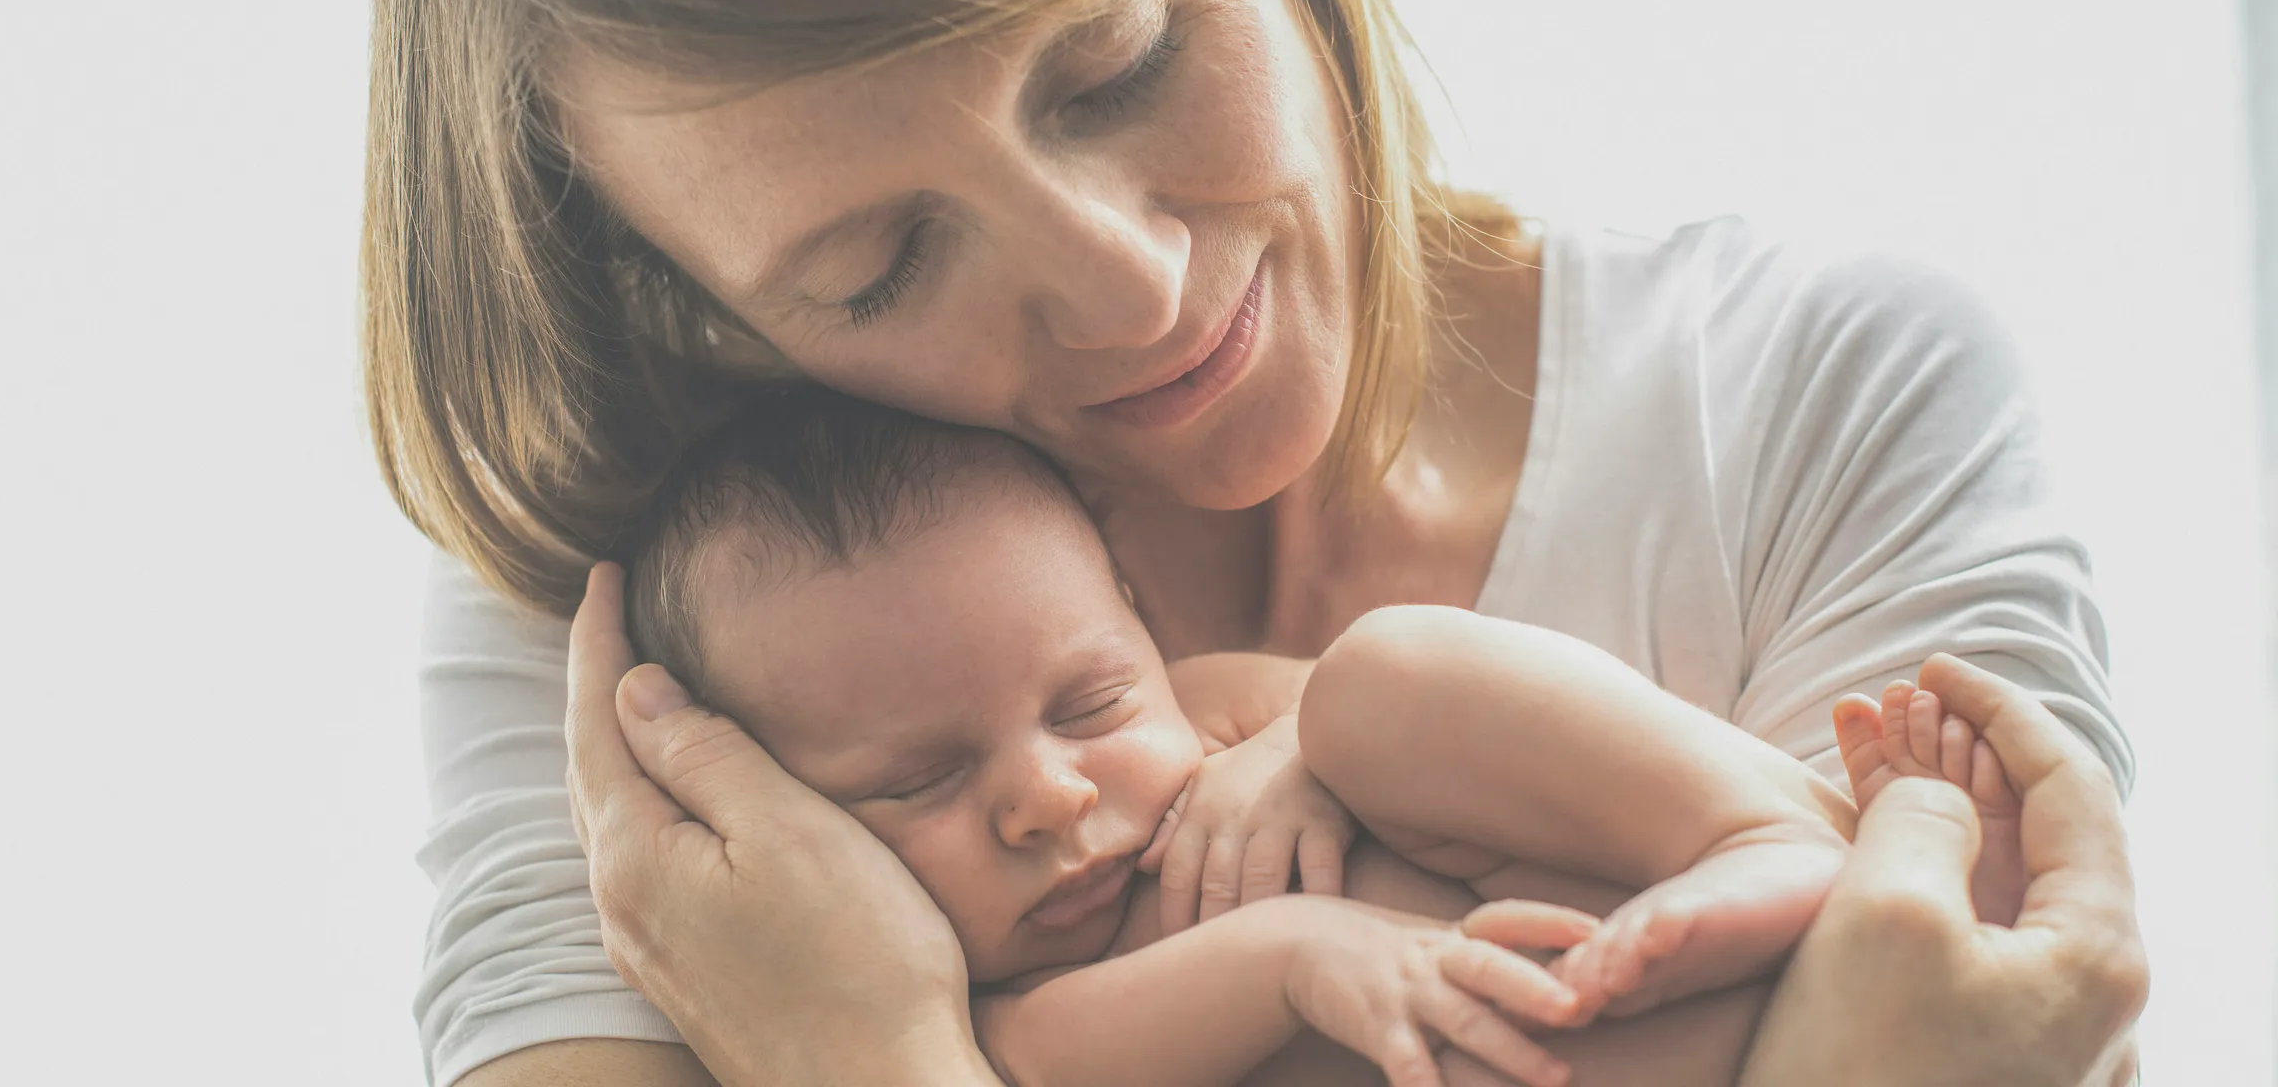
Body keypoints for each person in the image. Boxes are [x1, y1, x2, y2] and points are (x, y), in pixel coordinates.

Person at [361, 0, 2142, 1083]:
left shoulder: (1808, 398)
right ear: (685, 299)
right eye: (876, 265)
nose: (1130, 286)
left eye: (1125, 54)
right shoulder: (670, 624)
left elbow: (1971, 988)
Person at [609, 388, 1876, 1085]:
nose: (1050, 793)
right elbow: (1044, 1066)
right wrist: (1296, 951)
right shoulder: (979, 1002)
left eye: (1089, 704)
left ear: (1134, 619)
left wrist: (1296, 749)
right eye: (917, 780)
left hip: (1619, 918)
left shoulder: (1207, 706)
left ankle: (1757, 835)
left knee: (1384, 673)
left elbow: (1341, 706)